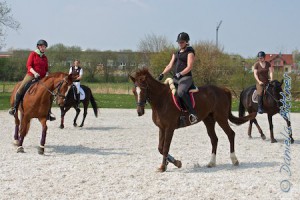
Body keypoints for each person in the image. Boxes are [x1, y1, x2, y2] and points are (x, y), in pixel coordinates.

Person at [9, 39, 56, 121]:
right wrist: (34, 73)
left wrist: (47, 74)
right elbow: (29, 66)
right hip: (31, 75)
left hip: (42, 78)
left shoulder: (45, 57)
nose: (43, 48)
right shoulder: (33, 54)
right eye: (42, 46)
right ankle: (15, 108)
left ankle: (48, 112)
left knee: (50, 92)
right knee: (21, 88)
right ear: (38, 46)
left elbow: (46, 69)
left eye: (44, 47)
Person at [158, 32, 198, 124]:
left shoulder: (190, 52)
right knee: (168, 92)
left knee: (180, 92)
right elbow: (169, 65)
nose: (180, 44)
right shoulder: (176, 53)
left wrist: (180, 73)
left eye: (182, 42)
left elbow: (189, 67)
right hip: (176, 78)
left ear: (187, 42)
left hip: (186, 78)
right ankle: (175, 114)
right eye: (179, 42)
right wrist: (162, 74)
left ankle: (193, 114)